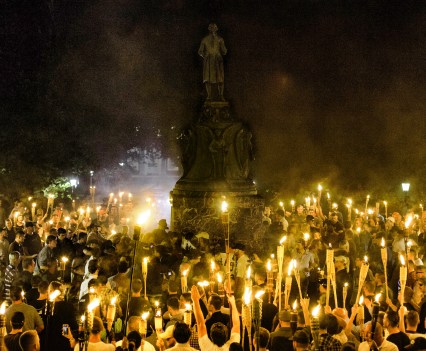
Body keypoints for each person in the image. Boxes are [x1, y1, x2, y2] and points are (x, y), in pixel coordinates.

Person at [191, 284, 240, 351]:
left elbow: (200, 324)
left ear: (211, 336)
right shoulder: (231, 347)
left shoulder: (207, 347)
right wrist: (233, 303)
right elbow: (236, 324)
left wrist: (195, 300)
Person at [198, 23, 227, 101]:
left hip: (218, 61)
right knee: (208, 78)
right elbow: (200, 51)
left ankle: (221, 95)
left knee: (220, 78)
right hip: (209, 61)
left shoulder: (220, 39)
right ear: (209, 29)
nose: (213, 30)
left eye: (214, 28)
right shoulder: (204, 39)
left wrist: (220, 52)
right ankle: (209, 96)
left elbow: (224, 51)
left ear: (216, 29)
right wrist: (205, 55)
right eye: (211, 28)